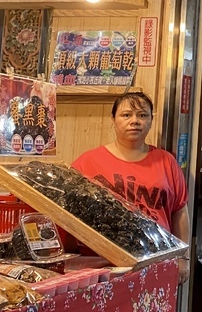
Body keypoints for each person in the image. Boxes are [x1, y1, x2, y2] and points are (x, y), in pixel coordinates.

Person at [72, 91, 191, 283]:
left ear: (151, 120)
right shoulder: (87, 162)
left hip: (157, 262)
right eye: (126, 115)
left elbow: (180, 211)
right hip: (102, 267)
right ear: (113, 120)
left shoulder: (166, 161)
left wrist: (184, 258)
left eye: (142, 115)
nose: (134, 121)